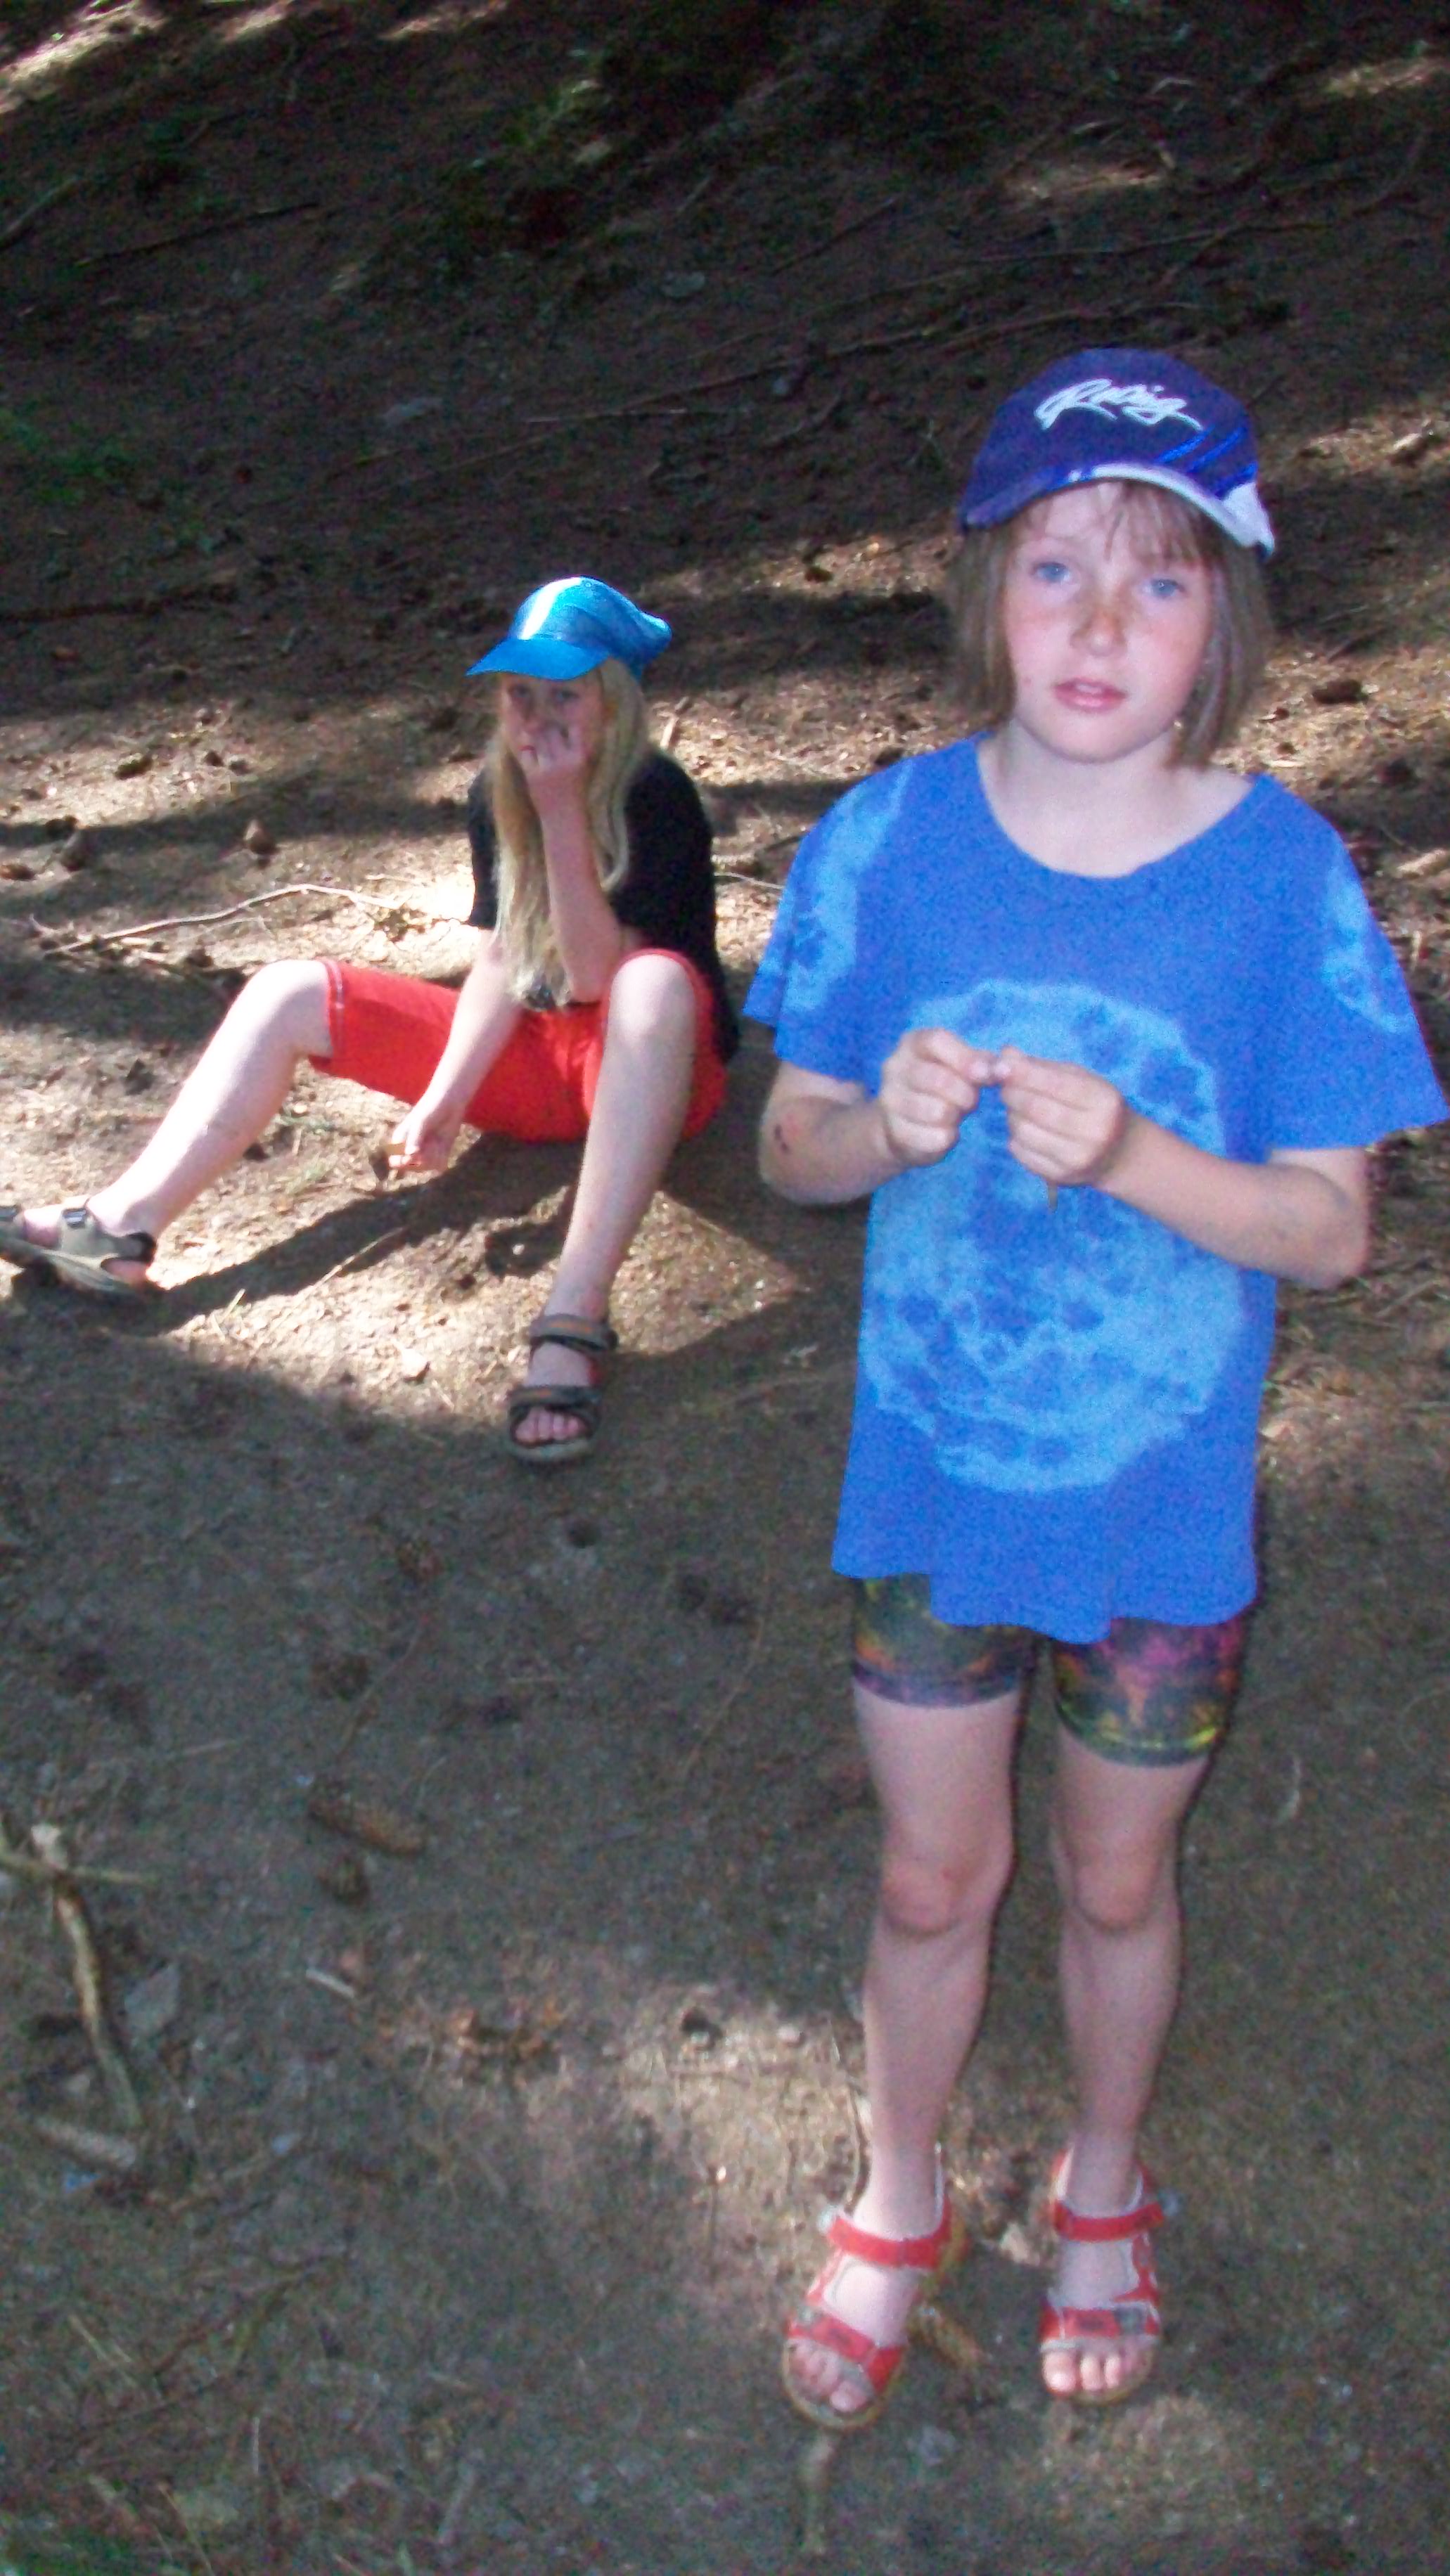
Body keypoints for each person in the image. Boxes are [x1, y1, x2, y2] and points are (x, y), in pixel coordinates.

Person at [748, 349, 1445, 2427]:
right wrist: (881, 1123)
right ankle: (895, 2189)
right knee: (928, 1876)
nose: (1099, 619)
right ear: (988, 589)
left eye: (1158, 577)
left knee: (1119, 1874)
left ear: (1223, 620)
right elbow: (787, 1144)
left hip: (1158, 1511)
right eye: (1056, 564)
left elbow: (1330, 1230)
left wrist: (1135, 1151)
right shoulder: (884, 839)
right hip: (938, 1484)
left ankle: (1106, 2177)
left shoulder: (1284, 879)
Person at [1, 577, 738, 1464]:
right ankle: (121, 1224)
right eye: (519, 693)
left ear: (613, 702)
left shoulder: (653, 793)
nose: (536, 719)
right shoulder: (501, 790)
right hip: (549, 1063)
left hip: (659, 1070)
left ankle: (572, 1319)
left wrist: (559, 813)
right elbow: (505, 956)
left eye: (564, 696)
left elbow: (593, 976)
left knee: (650, 984)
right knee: (287, 989)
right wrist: (445, 1098)